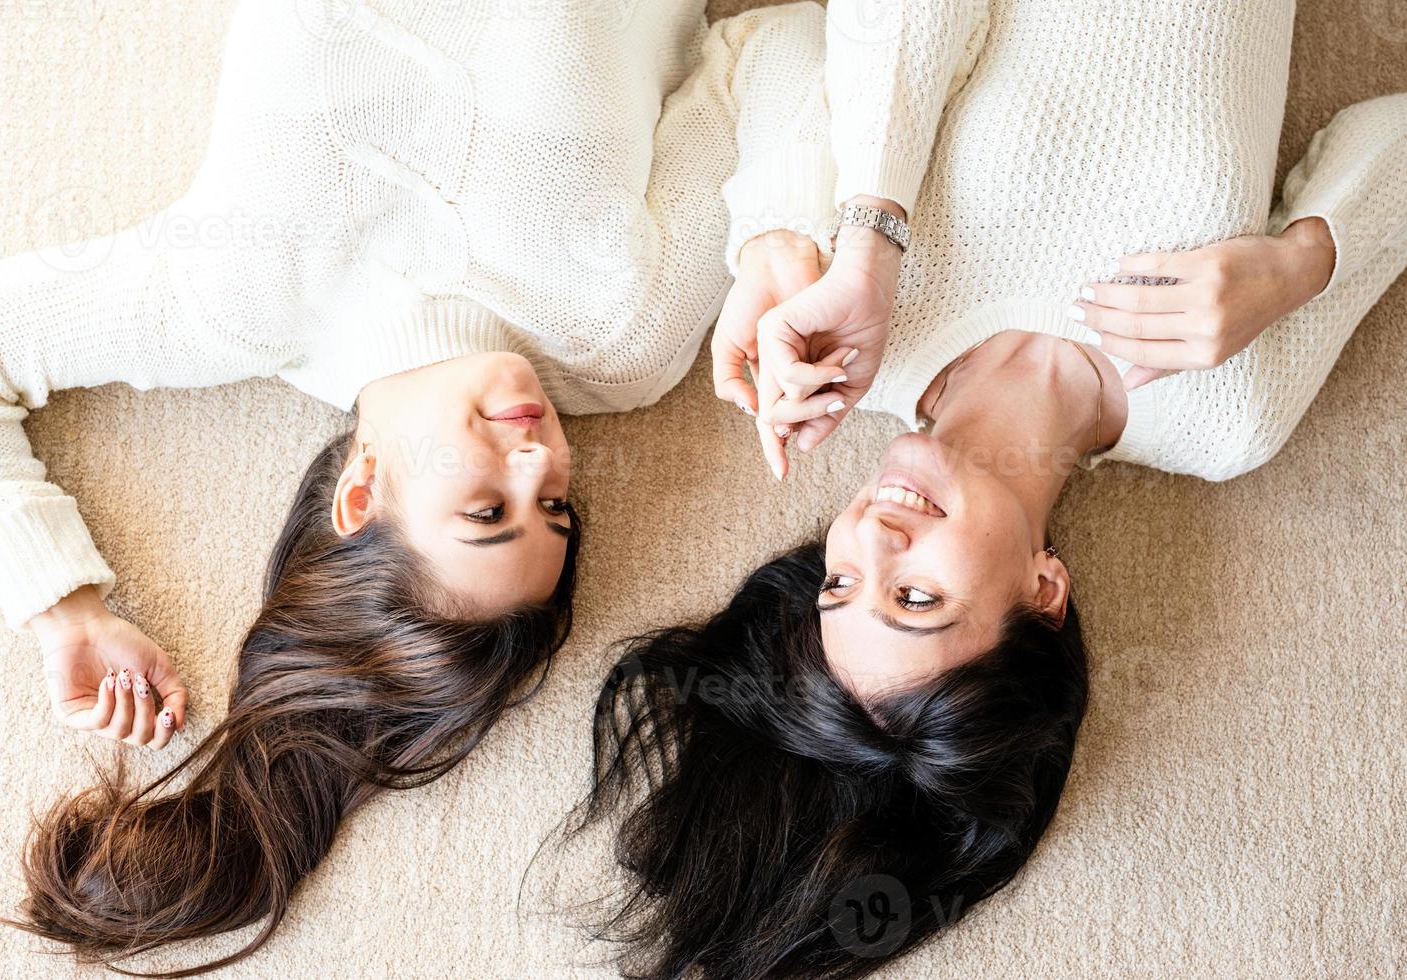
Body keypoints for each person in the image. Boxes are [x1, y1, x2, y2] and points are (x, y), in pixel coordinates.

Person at [0, 0, 838, 970]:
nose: (543, 460)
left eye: (487, 507)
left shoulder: (232, 298)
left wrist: (64, 608)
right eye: (556, 509)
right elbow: (781, 42)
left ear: (360, 494)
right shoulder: (623, 345)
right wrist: (776, 242)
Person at [582, 0, 1407, 974]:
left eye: (836, 584)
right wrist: (1297, 262)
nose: (872, 538)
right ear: (1042, 593)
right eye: (916, 596)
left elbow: (787, 42)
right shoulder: (1222, 419)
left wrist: (837, 243)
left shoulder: (853, 335)